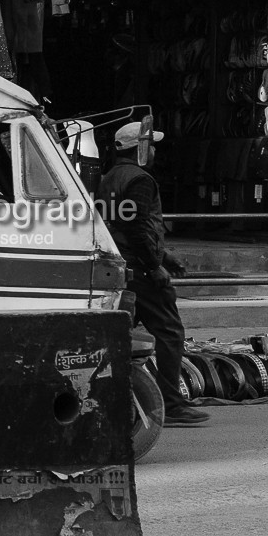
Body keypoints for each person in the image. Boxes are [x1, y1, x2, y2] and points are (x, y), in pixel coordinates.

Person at [97, 121, 209, 427]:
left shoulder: (109, 178)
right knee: (170, 332)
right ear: (140, 148)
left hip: (121, 264)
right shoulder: (139, 179)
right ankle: (171, 403)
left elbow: (125, 224)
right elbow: (135, 227)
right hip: (140, 270)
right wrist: (154, 265)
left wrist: (164, 256)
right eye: (152, 144)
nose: (156, 149)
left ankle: (119, 395)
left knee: (120, 335)